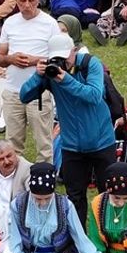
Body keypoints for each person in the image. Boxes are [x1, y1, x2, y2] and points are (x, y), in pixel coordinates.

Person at [21, 31, 116, 227]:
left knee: (108, 193)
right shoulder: (51, 71)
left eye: (65, 57)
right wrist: (37, 76)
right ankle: (78, 240)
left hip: (101, 142)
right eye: (57, 58)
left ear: (74, 50)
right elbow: (24, 96)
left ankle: (109, 235)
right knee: (75, 196)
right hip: (72, 146)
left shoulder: (91, 64)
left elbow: (94, 95)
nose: (63, 62)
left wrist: (66, 80)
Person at [0, 0, 58, 162]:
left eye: (31, 0)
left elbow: (58, 59)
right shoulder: (10, 23)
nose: (27, 4)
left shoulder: (50, 23)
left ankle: (45, 183)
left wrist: (34, 61)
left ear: (38, 0)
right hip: (12, 91)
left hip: (39, 91)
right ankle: (13, 183)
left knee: (44, 144)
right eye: (22, 0)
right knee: (12, 145)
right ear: (16, 1)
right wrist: (11, 59)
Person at [0, 139, 31, 233]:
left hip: (20, 225)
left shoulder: (28, 170)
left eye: (9, 156)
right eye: (1, 159)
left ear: (15, 153)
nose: (6, 161)